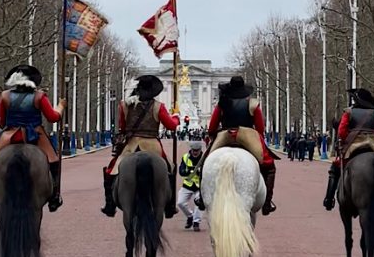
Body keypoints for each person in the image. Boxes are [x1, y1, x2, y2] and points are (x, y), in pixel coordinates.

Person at [0, 65, 66, 212]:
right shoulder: (39, 96)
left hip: (11, 134)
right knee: (54, 162)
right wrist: (60, 106)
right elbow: (52, 117)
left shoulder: (5, 96)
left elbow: (3, 122)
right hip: (35, 134)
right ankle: (54, 197)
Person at [101, 74, 180, 218]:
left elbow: (122, 127)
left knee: (111, 169)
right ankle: (170, 206)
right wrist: (176, 117)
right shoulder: (158, 106)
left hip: (131, 145)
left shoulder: (124, 105)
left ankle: (110, 204)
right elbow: (171, 126)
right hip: (152, 144)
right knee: (170, 168)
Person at [199, 75, 277, 215]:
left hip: (225, 136)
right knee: (269, 166)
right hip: (247, 136)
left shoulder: (222, 103)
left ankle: (201, 197)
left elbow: (212, 127)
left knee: (205, 163)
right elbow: (260, 128)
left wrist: (213, 135)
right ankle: (267, 203)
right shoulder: (253, 104)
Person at [323, 88, 374, 210]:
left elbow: (341, 132)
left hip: (354, 145)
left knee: (335, 167)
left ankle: (329, 198)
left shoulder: (349, 112)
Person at [178, 140, 203, 231]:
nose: (195, 152)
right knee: (180, 203)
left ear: (200, 150)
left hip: (199, 187)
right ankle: (190, 216)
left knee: (198, 203)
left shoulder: (204, 158)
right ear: (191, 150)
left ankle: (196, 222)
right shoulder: (185, 157)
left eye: (197, 150)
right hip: (187, 185)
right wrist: (190, 171)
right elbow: (181, 171)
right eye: (194, 150)